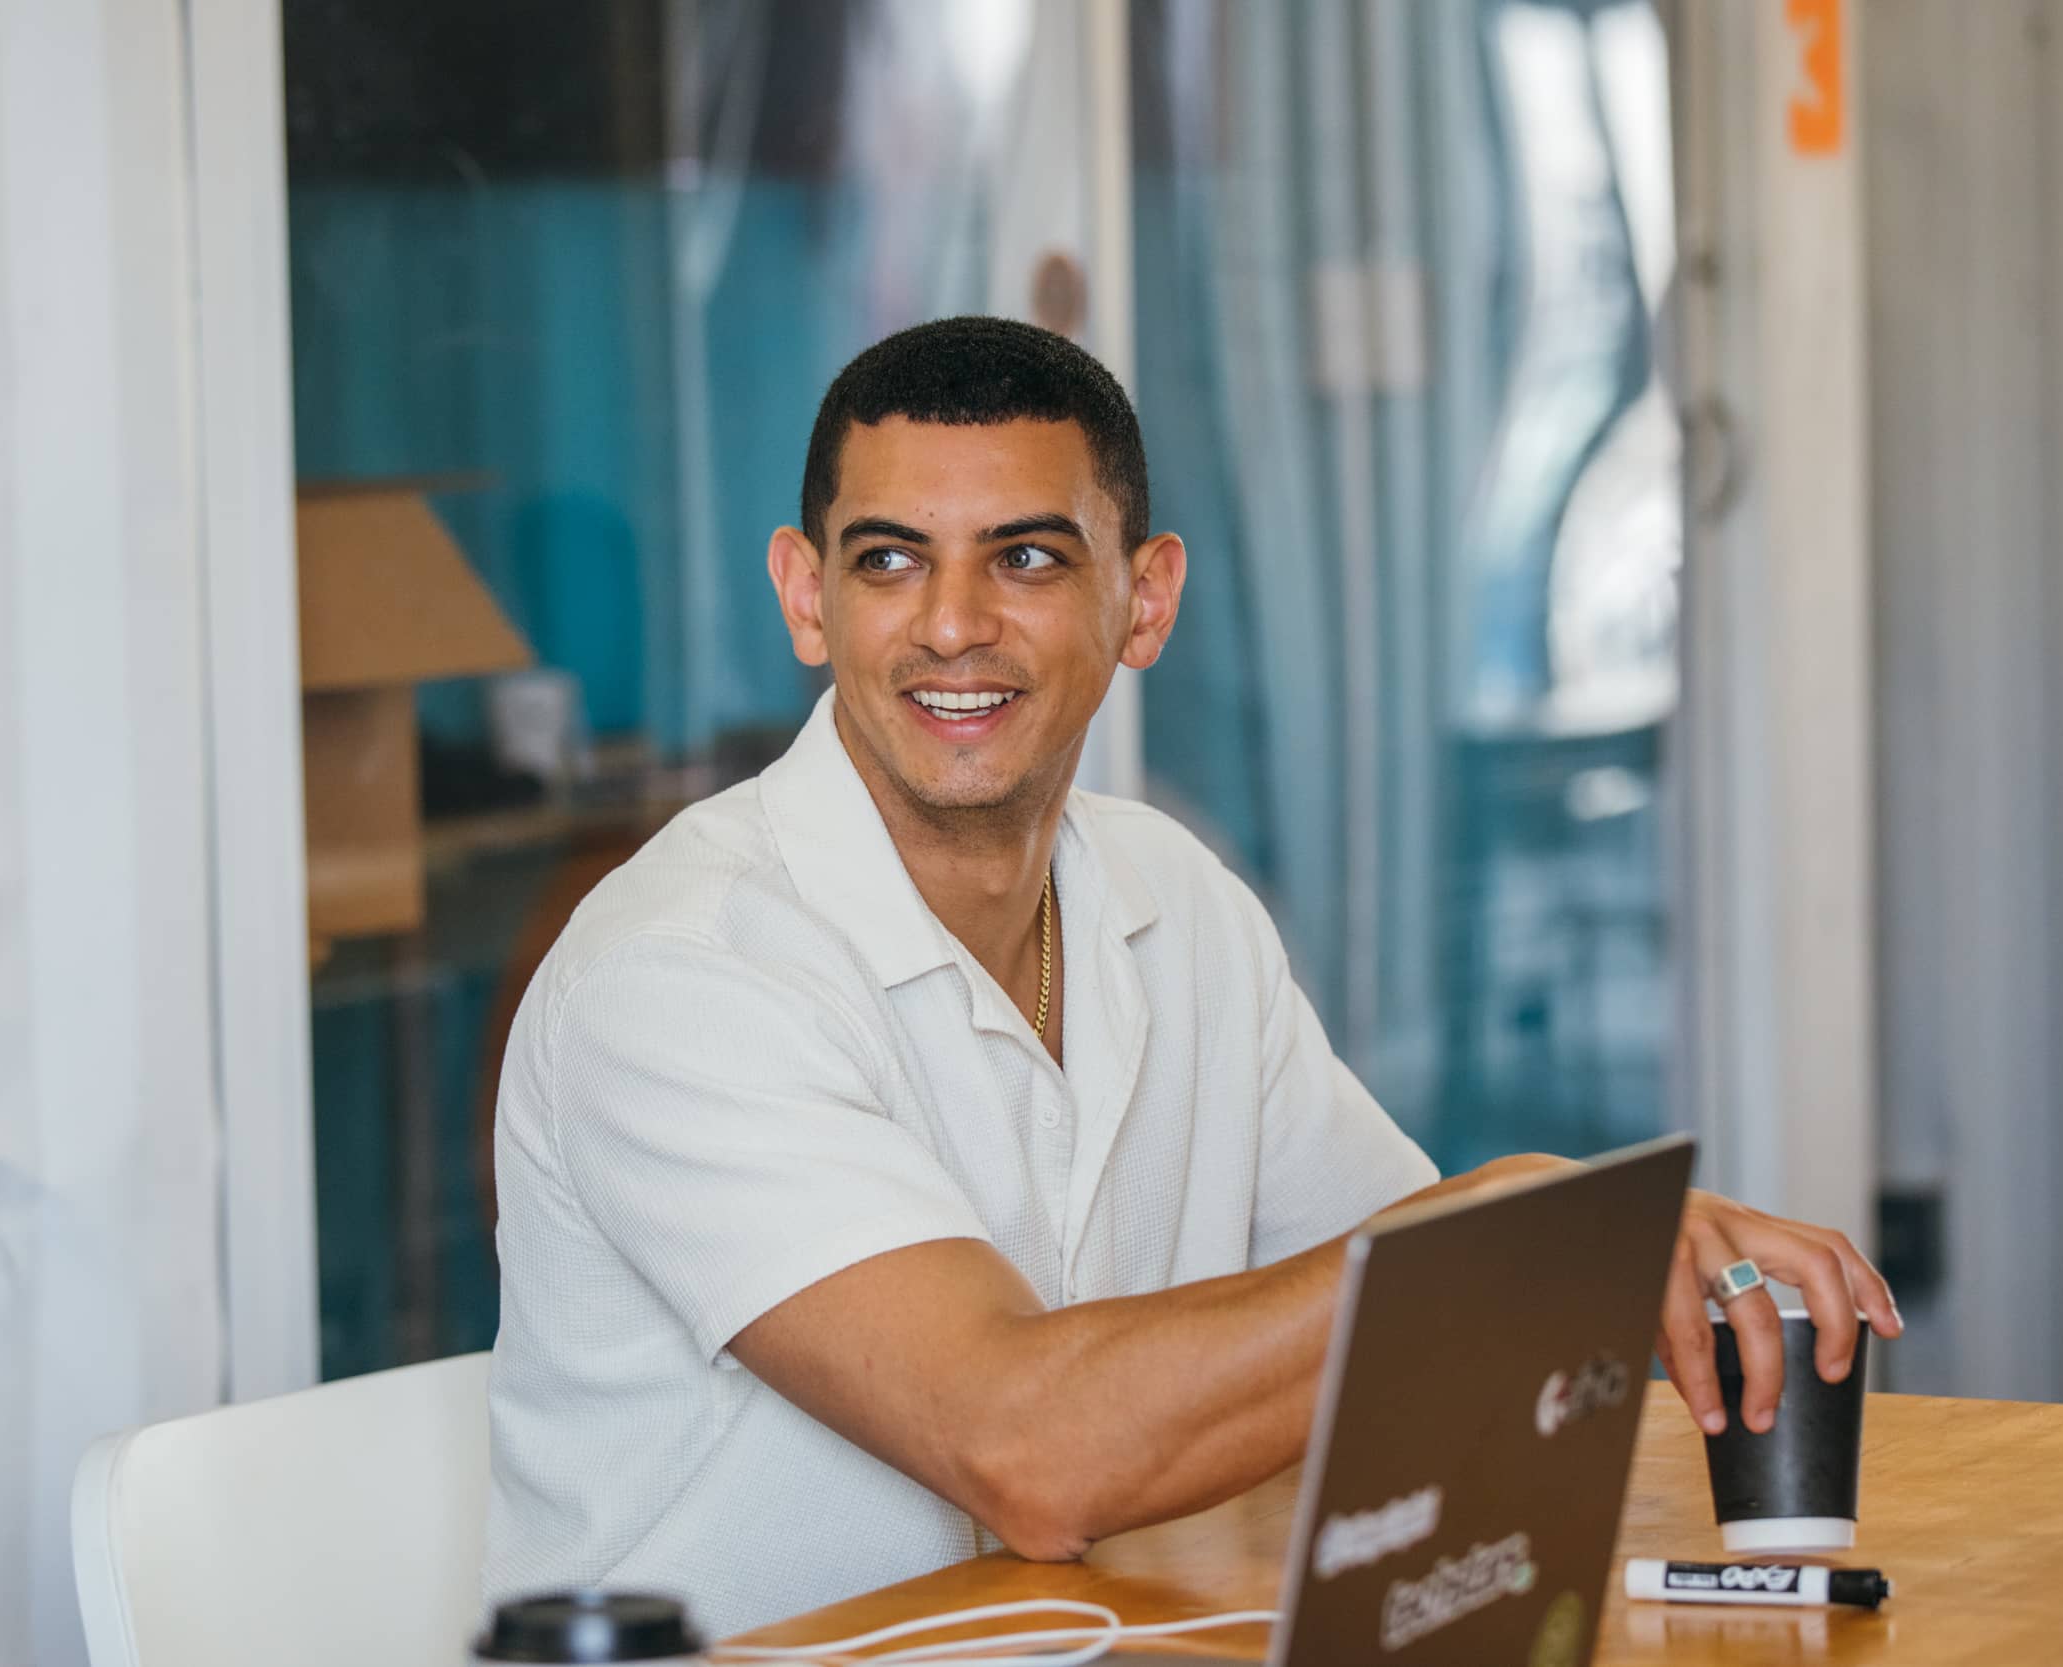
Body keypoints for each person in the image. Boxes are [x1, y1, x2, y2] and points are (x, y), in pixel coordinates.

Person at [482, 317, 1901, 1635]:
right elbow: (1029, 1449)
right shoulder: (682, 974)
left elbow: (1408, 1336)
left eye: (1028, 559)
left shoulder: (1173, 897)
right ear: (807, 596)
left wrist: (1567, 1251)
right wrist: (1515, 1221)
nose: (954, 624)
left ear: (1142, 600)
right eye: (891, 559)